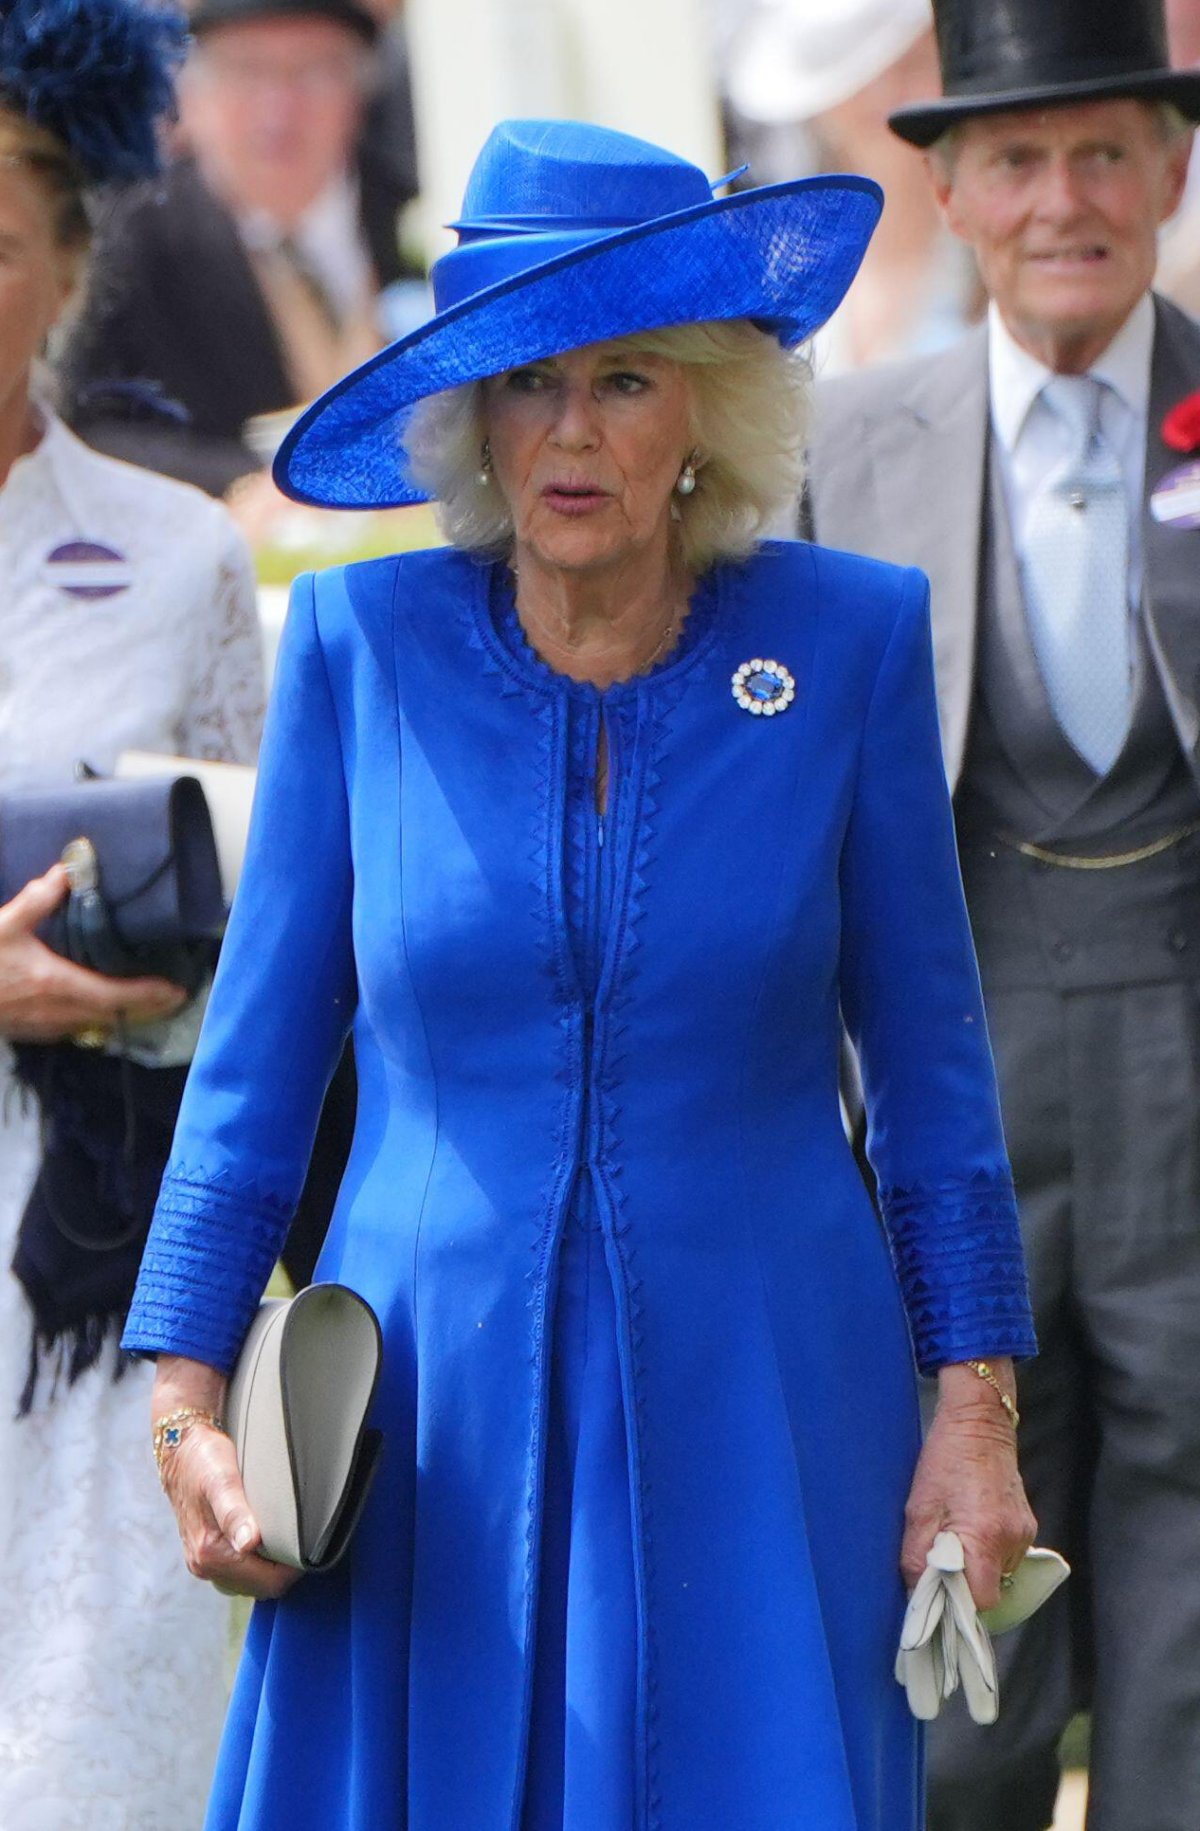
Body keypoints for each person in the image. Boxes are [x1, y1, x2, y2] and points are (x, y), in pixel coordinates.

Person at [123, 118, 1037, 1831]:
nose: (570, 431)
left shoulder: (845, 645)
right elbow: (250, 1080)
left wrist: (972, 1412)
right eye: (528, 381)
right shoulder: (357, 652)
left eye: (626, 380)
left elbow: (930, 1073)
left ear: (707, 406)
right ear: (472, 409)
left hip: (766, 1394)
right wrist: (186, 1410)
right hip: (422, 1417)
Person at [803, 1, 1200, 1826]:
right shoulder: (842, 448)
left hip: (1188, 1087)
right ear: (950, 189)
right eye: (1024, 158)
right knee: (954, 1607)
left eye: (1108, 148)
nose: (1068, 198)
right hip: (948, 1100)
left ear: (1176, 170)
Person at [0, 0, 268, 1822]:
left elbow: (271, 925)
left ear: (73, 260)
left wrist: (136, 990)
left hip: (91, 1293)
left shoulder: (179, 558)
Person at [62, 0, 412, 496]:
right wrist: (247, 482)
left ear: (361, 87)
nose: (279, 109)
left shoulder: (415, 211)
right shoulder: (129, 240)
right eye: (245, 71)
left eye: (313, 73)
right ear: (189, 94)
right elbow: (85, 428)